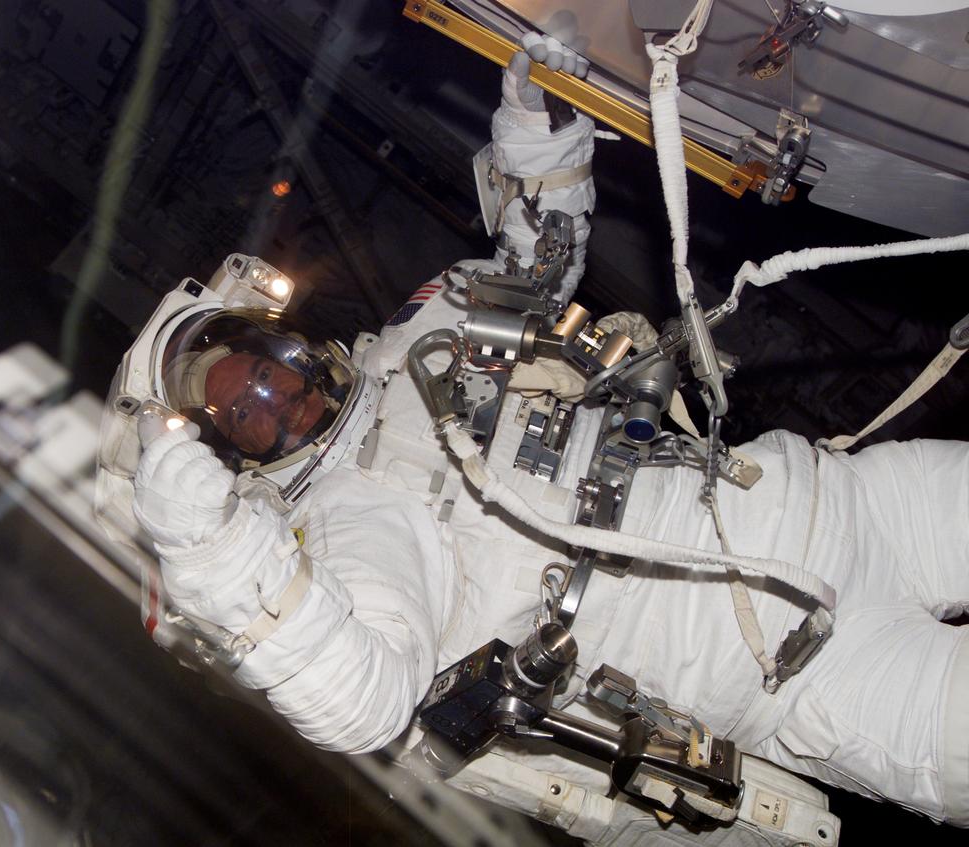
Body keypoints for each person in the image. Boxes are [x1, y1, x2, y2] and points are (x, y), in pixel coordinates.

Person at [101, 35, 969, 833]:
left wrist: (538, 130)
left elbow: (536, 258)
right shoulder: (345, 531)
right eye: (242, 411)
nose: (271, 394)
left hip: (852, 500)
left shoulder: (423, 341)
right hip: (804, 667)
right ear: (236, 456)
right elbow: (362, 702)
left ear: (281, 337)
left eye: (260, 365)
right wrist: (216, 555)